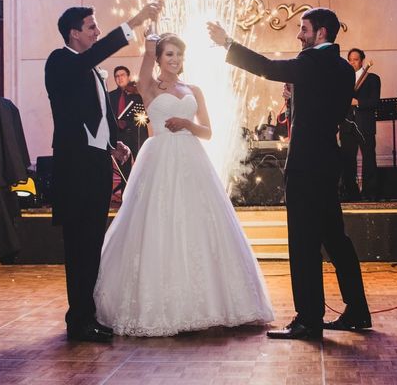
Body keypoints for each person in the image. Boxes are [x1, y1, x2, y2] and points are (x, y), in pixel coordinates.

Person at [94, 33, 274, 336]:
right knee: (159, 223)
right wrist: (150, 41)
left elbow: (207, 132)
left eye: (179, 55)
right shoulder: (148, 86)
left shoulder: (194, 90)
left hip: (192, 158)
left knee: (201, 224)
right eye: (169, 55)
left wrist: (188, 125)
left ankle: (214, 304)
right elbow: (144, 67)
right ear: (160, 58)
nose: (175, 61)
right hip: (160, 158)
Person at [207, 8, 371, 341]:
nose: (299, 34)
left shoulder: (311, 62)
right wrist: (298, 98)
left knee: (303, 242)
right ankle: (357, 310)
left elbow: (267, 68)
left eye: (304, 28)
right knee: (335, 239)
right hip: (328, 161)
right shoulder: (342, 68)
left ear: (321, 33)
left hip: (306, 165)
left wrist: (228, 43)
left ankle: (309, 319)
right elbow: (328, 109)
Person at [45, 0, 160, 342]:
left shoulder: (89, 68)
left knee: (92, 243)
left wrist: (113, 145)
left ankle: (87, 315)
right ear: (74, 33)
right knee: (78, 246)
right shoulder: (60, 61)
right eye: (92, 27)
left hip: (96, 165)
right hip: (74, 168)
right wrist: (135, 21)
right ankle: (78, 319)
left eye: (98, 27)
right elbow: (85, 69)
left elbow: (97, 114)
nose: (96, 32)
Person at [339, 48, 381, 201]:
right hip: (347, 125)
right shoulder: (343, 79)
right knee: (348, 160)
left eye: (355, 59)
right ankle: (351, 193)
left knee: (369, 159)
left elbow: (375, 102)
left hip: (365, 125)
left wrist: (358, 102)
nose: (352, 62)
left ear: (362, 60)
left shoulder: (372, 78)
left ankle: (370, 193)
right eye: (350, 59)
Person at [108, 65, 146, 196]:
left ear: (128, 77)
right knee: (124, 170)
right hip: (120, 137)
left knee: (142, 167)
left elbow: (146, 117)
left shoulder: (138, 94)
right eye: (117, 76)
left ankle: (143, 197)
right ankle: (126, 199)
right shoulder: (110, 96)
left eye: (122, 75)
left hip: (137, 136)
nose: (119, 78)